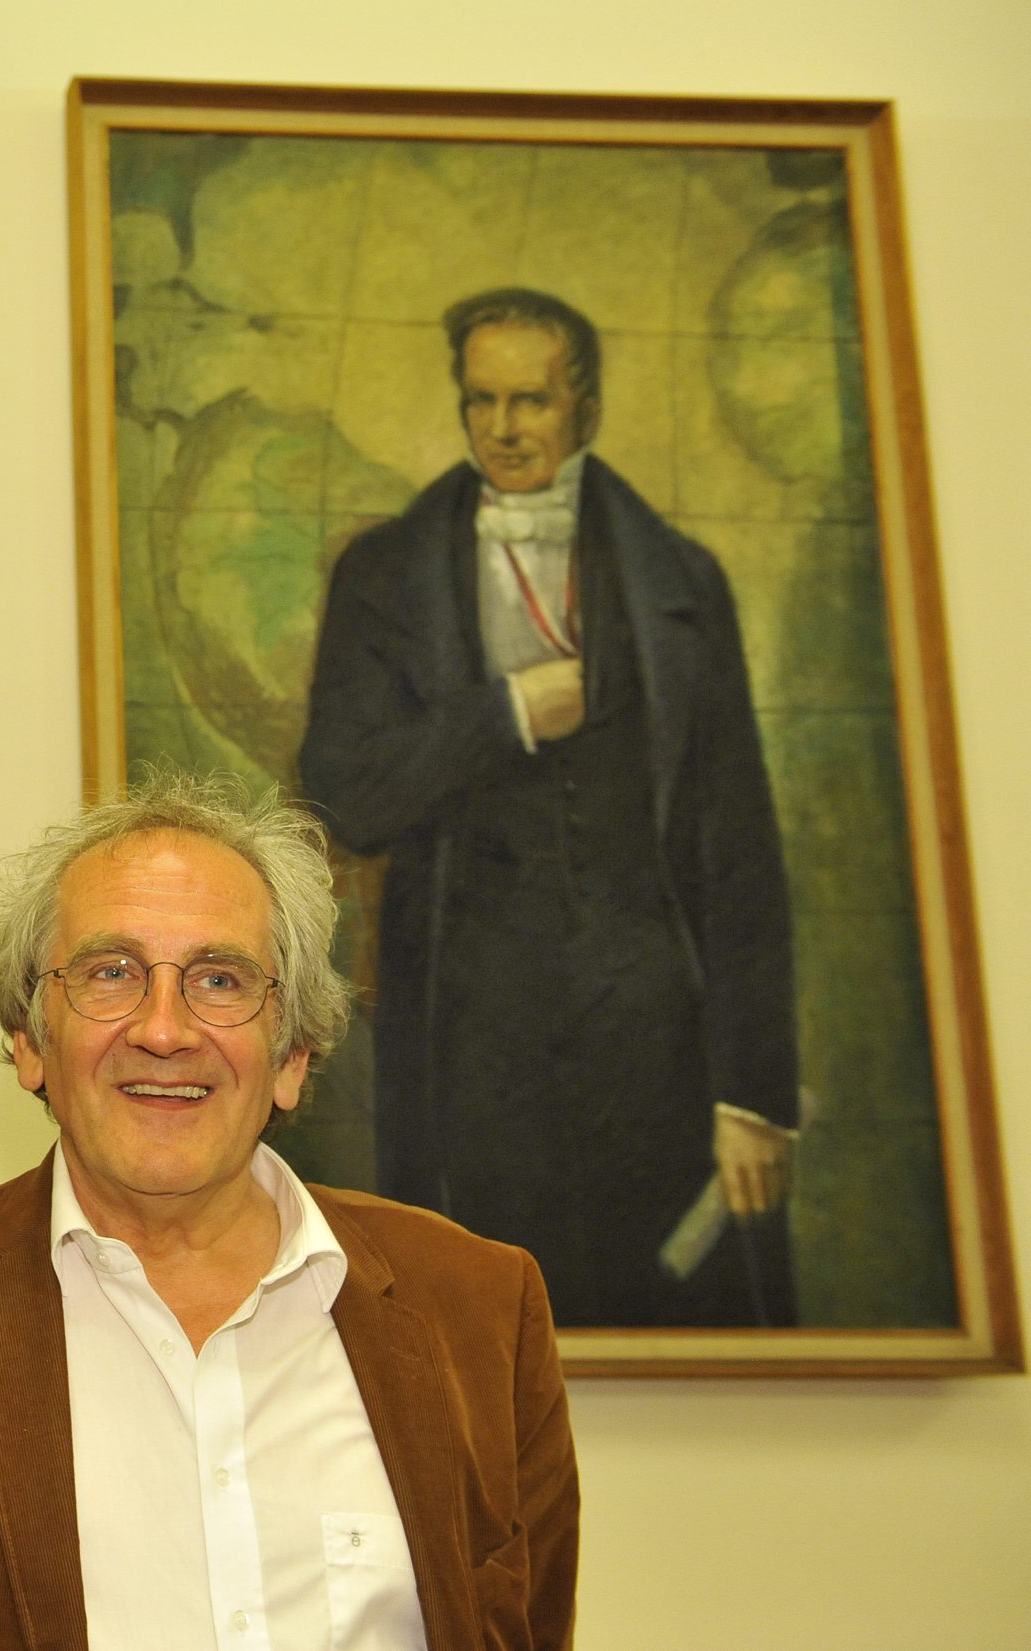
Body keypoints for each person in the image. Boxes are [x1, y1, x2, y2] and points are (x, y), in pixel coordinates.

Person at [0, 774, 577, 1651]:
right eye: (111, 973)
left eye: (220, 979)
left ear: (292, 1054)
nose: (164, 1029)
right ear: (29, 1040)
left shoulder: (481, 1307)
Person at [296, 287, 800, 1328]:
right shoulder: (383, 573)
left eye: (530, 400)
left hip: (656, 1035)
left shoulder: (682, 580)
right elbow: (344, 793)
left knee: (667, 1318)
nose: (502, 428)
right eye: (479, 401)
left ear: (587, 409)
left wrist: (753, 1093)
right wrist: (505, 715)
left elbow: (739, 848)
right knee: (478, 1327)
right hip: (469, 1038)